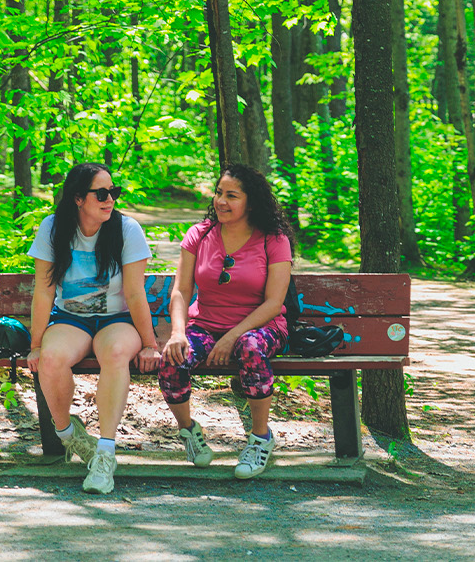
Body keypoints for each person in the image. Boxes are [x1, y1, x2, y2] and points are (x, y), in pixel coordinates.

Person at [25, 162, 160, 495]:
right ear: (77, 199)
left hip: (117, 320)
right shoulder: (53, 228)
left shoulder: (127, 230)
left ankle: (105, 451)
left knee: (115, 353)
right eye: (101, 193)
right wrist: (37, 344)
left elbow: (134, 292)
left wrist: (149, 344)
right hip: (71, 318)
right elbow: (44, 290)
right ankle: (69, 435)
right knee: (51, 360)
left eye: (113, 192)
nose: (110, 199)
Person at [158, 163, 293, 479]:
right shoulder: (200, 234)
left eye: (232, 195)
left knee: (250, 346)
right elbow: (181, 290)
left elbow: (274, 303)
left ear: (251, 202)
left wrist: (231, 336)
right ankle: (189, 433)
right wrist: (178, 332)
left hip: (261, 327)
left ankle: (260, 440)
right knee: (172, 359)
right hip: (205, 326)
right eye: (219, 193)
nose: (221, 201)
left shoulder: (273, 239)